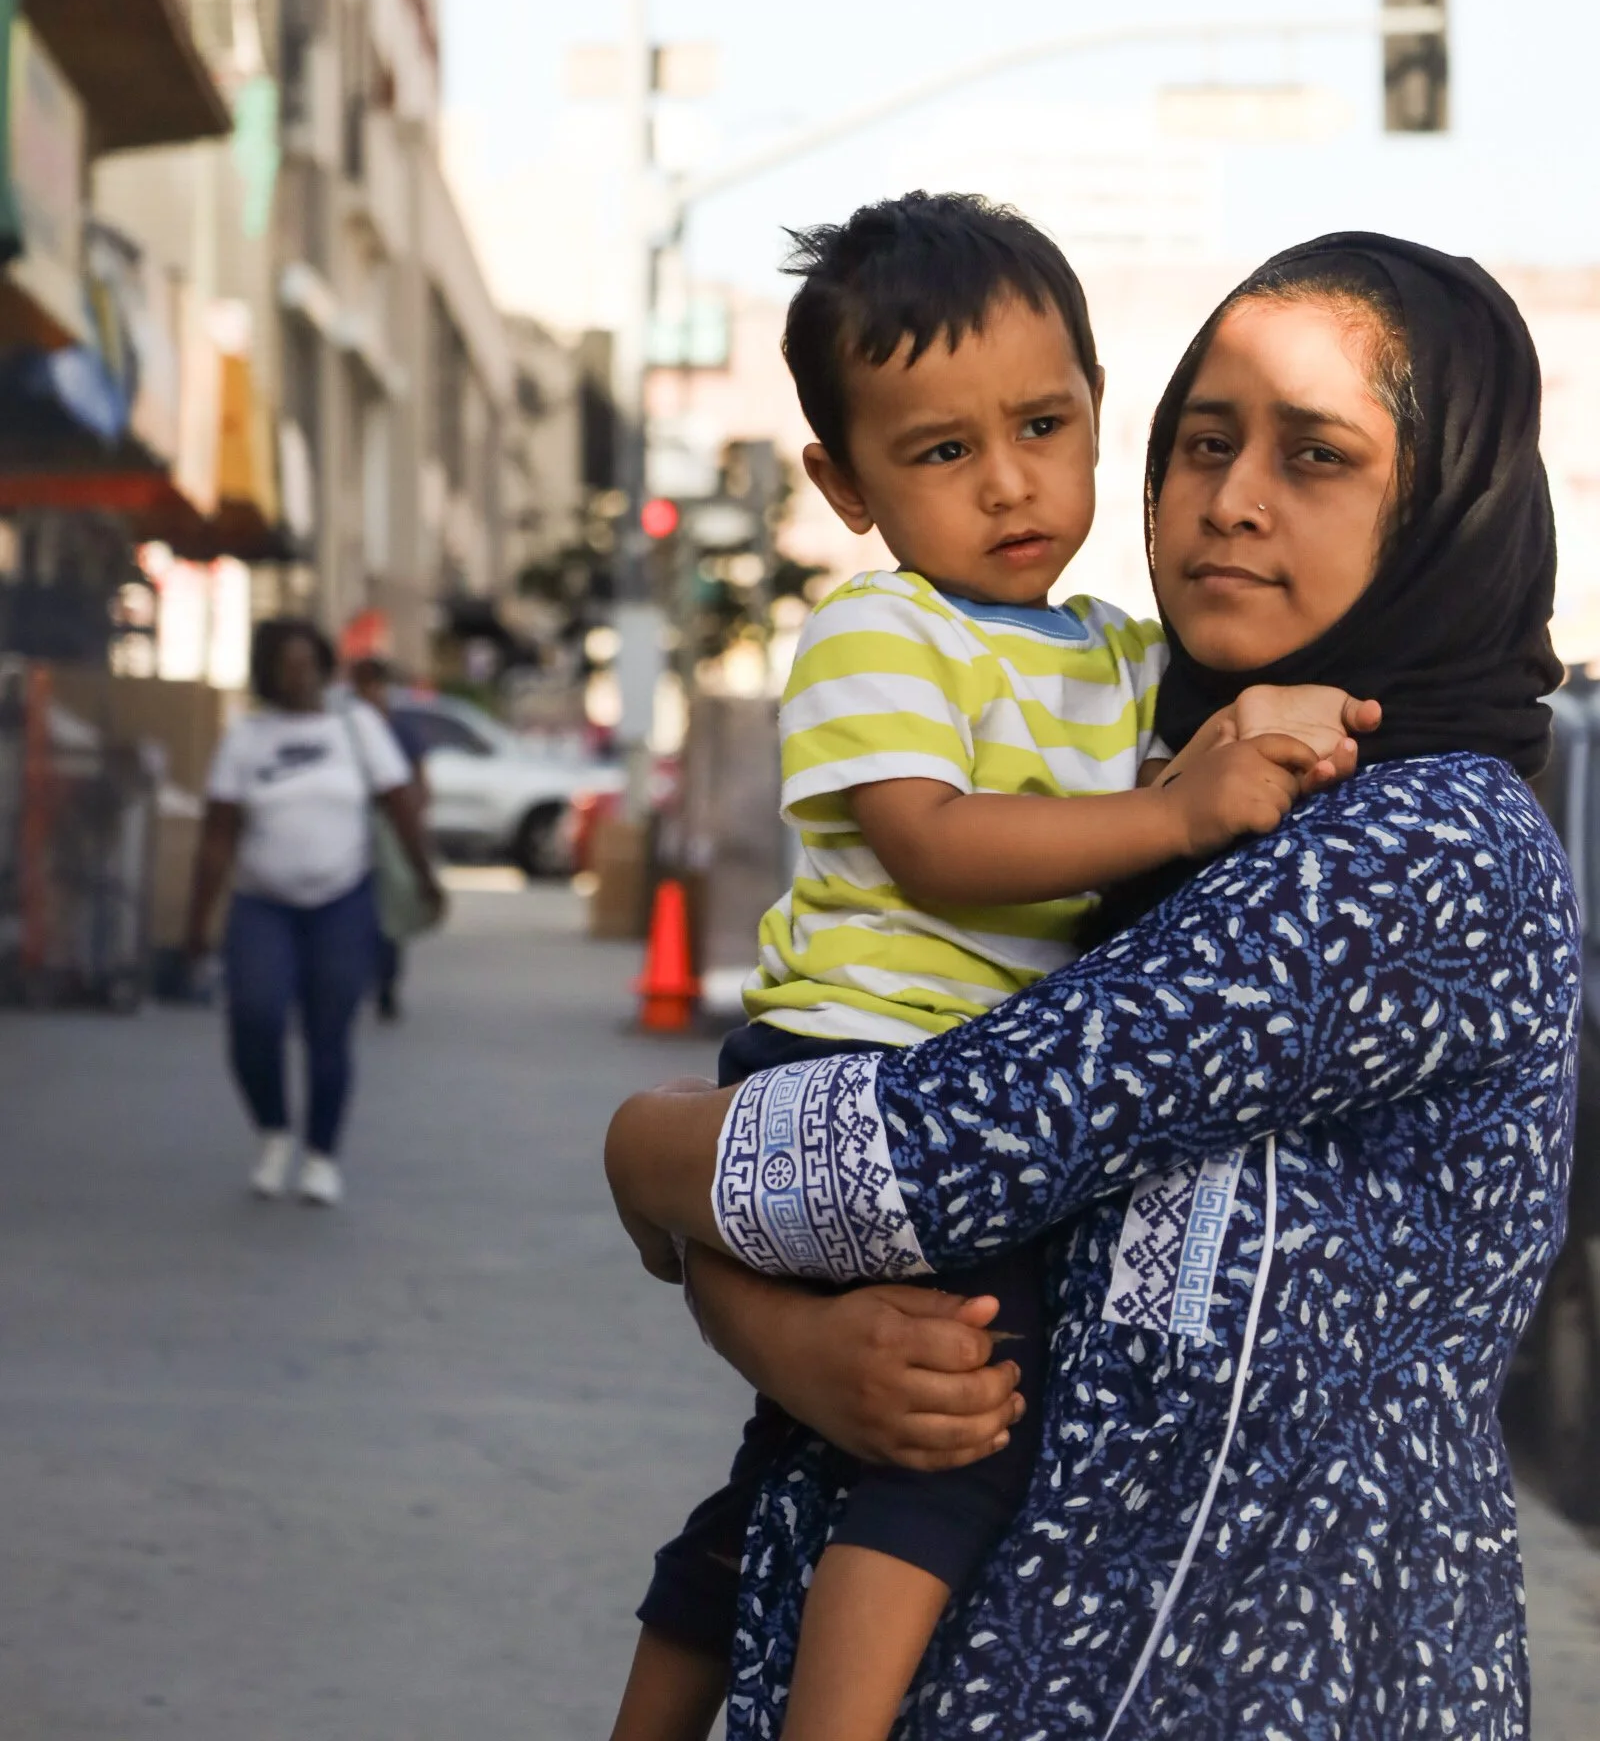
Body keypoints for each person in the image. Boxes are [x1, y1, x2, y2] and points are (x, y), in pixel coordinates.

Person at [606, 233, 1580, 1741]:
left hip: (1263, 1679)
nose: (1231, 497)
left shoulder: (1419, 842)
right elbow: (891, 1254)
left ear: (1444, 501)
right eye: (1205, 441)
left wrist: (649, 1151)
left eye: (1314, 455)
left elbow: (941, 1156)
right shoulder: (1157, 786)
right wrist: (785, 1341)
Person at [184, 616, 444, 1207]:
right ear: (267, 673)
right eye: (284, 665)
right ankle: (274, 1131)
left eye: (306, 663)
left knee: (329, 1032)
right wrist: (198, 921)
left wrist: (426, 878)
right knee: (254, 1017)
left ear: (324, 666)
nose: (297, 675)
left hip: (341, 902)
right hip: (262, 905)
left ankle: (322, 1154)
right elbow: (217, 835)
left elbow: (400, 806)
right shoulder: (246, 739)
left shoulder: (355, 728)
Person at [348, 653, 431, 1020]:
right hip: (352, 831)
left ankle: (386, 986)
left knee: (392, 913)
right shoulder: (343, 730)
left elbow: (418, 785)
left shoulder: (398, 732)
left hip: (391, 831)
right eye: (362, 684)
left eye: (374, 684)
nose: (369, 692)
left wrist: (413, 825)